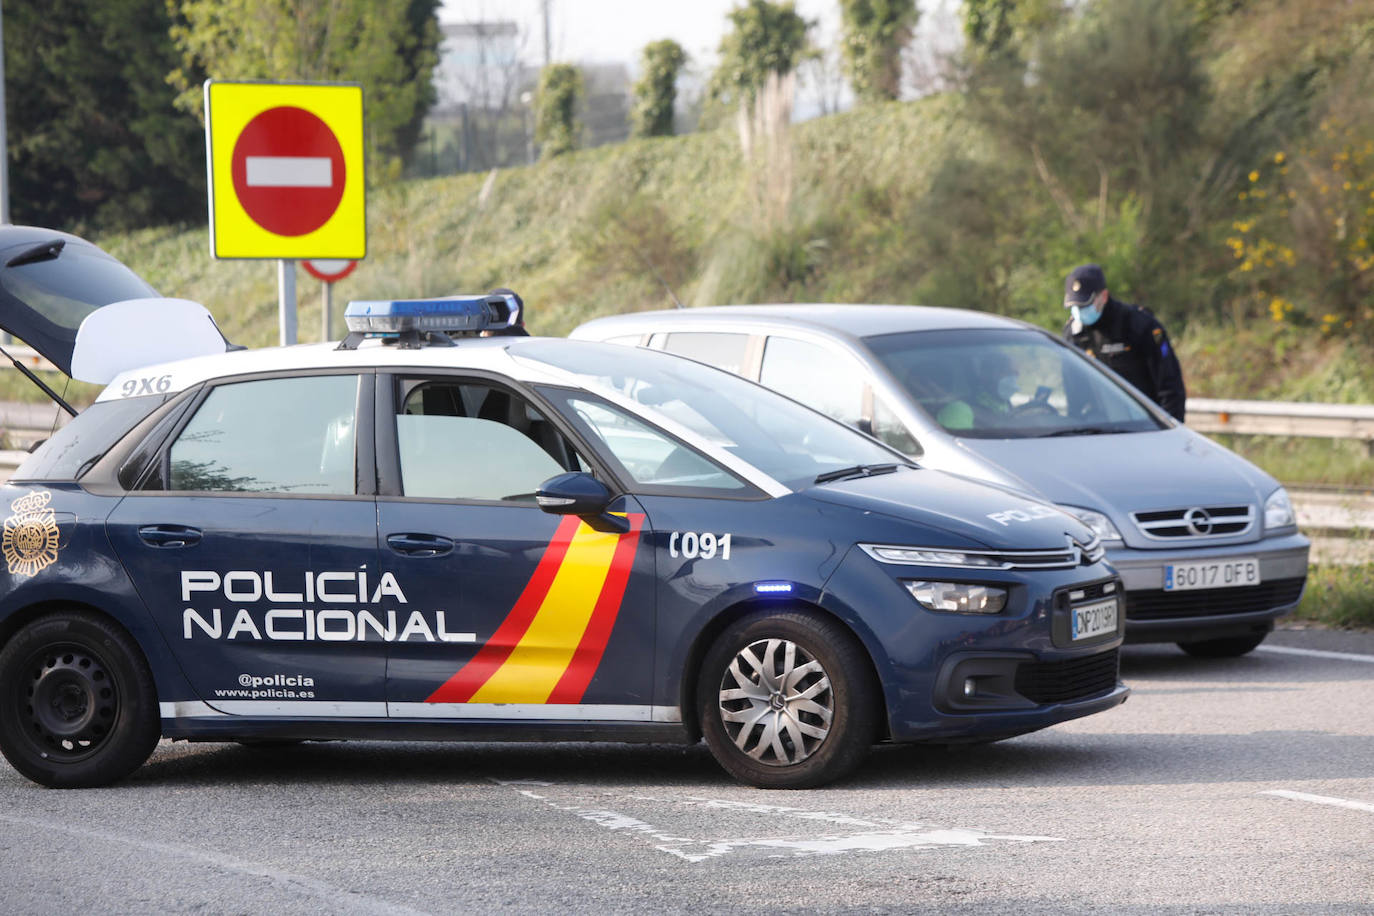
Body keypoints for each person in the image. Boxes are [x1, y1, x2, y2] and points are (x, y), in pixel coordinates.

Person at [1061, 264, 1186, 421]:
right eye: (1075, 306)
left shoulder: (1139, 326)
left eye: (1085, 305)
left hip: (1144, 426)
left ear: (1104, 296)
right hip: (1098, 427)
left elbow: (1170, 387)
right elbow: (1073, 394)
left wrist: (1169, 429)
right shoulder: (1073, 335)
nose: (1079, 311)